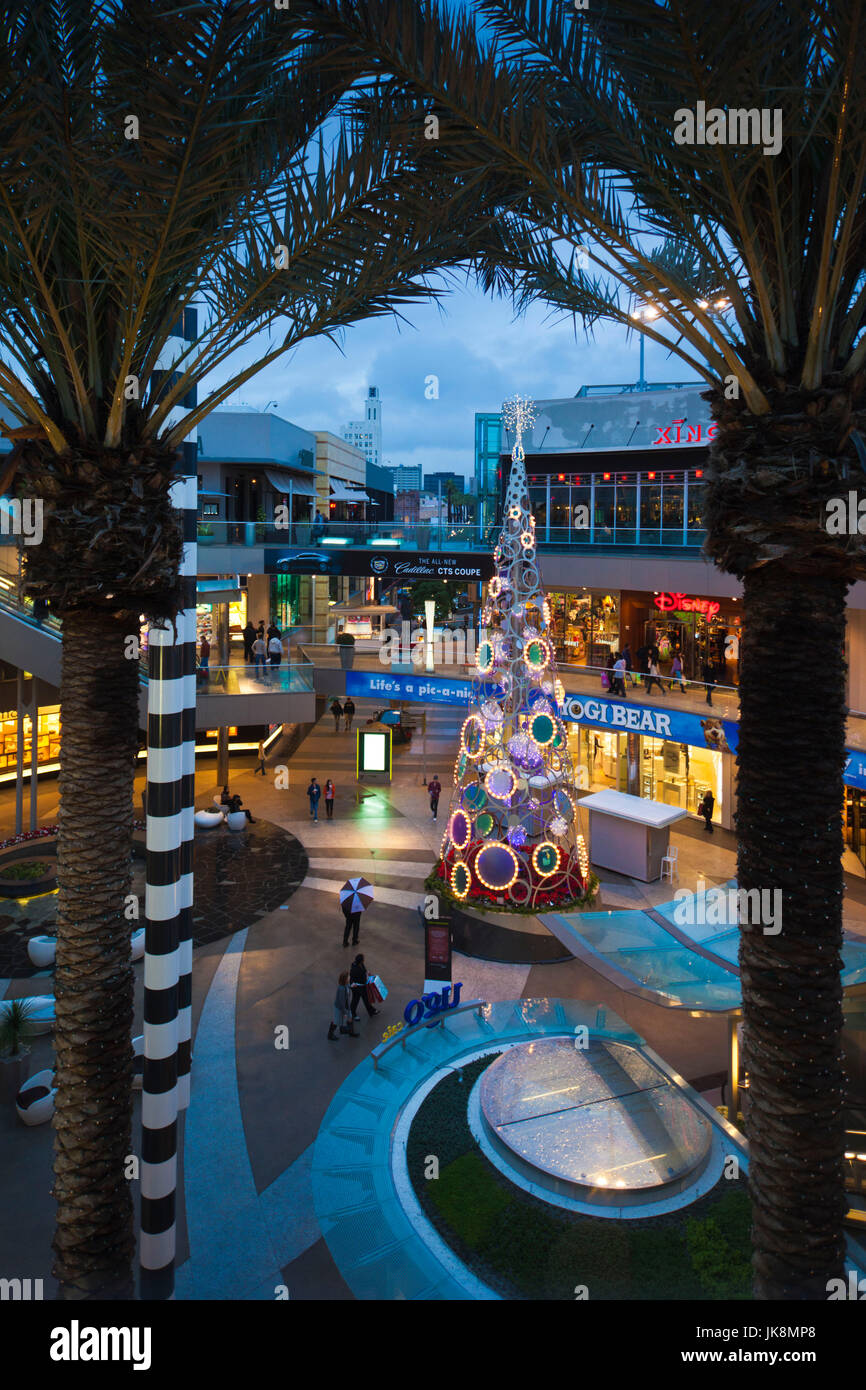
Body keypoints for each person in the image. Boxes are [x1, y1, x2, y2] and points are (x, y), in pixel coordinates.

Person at [349, 953, 380, 1019]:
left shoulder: (360, 964)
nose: (364, 960)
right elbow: (353, 978)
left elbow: (364, 971)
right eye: (363, 959)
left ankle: (371, 1011)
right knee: (355, 1000)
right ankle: (352, 1013)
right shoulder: (355, 969)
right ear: (361, 961)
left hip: (362, 986)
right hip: (356, 988)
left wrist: (368, 973)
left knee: (366, 998)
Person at [329, 971, 351, 1040]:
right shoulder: (341, 988)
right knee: (336, 1021)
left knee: (344, 1018)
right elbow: (341, 1002)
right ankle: (330, 1035)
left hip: (344, 1006)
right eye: (348, 977)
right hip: (339, 1008)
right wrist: (344, 1012)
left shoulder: (346, 985)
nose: (350, 977)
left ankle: (346, 1030)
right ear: (345, 979)